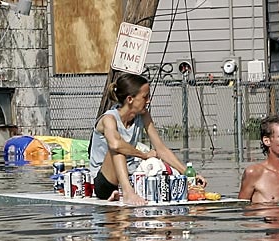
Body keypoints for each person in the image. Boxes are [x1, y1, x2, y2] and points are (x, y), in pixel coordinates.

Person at [89, 73, 207, 205]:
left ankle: (124, 190)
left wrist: (189, 174)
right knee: (119, 148)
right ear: (130, 99)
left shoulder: (143, 115)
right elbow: (116, 145)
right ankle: (128, 193)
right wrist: (144, 155)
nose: (149, 101)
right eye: (145, 97)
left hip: (130, 175)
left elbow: (161, 149)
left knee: (161, 167)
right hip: (103, 182)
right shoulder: (108, 119)